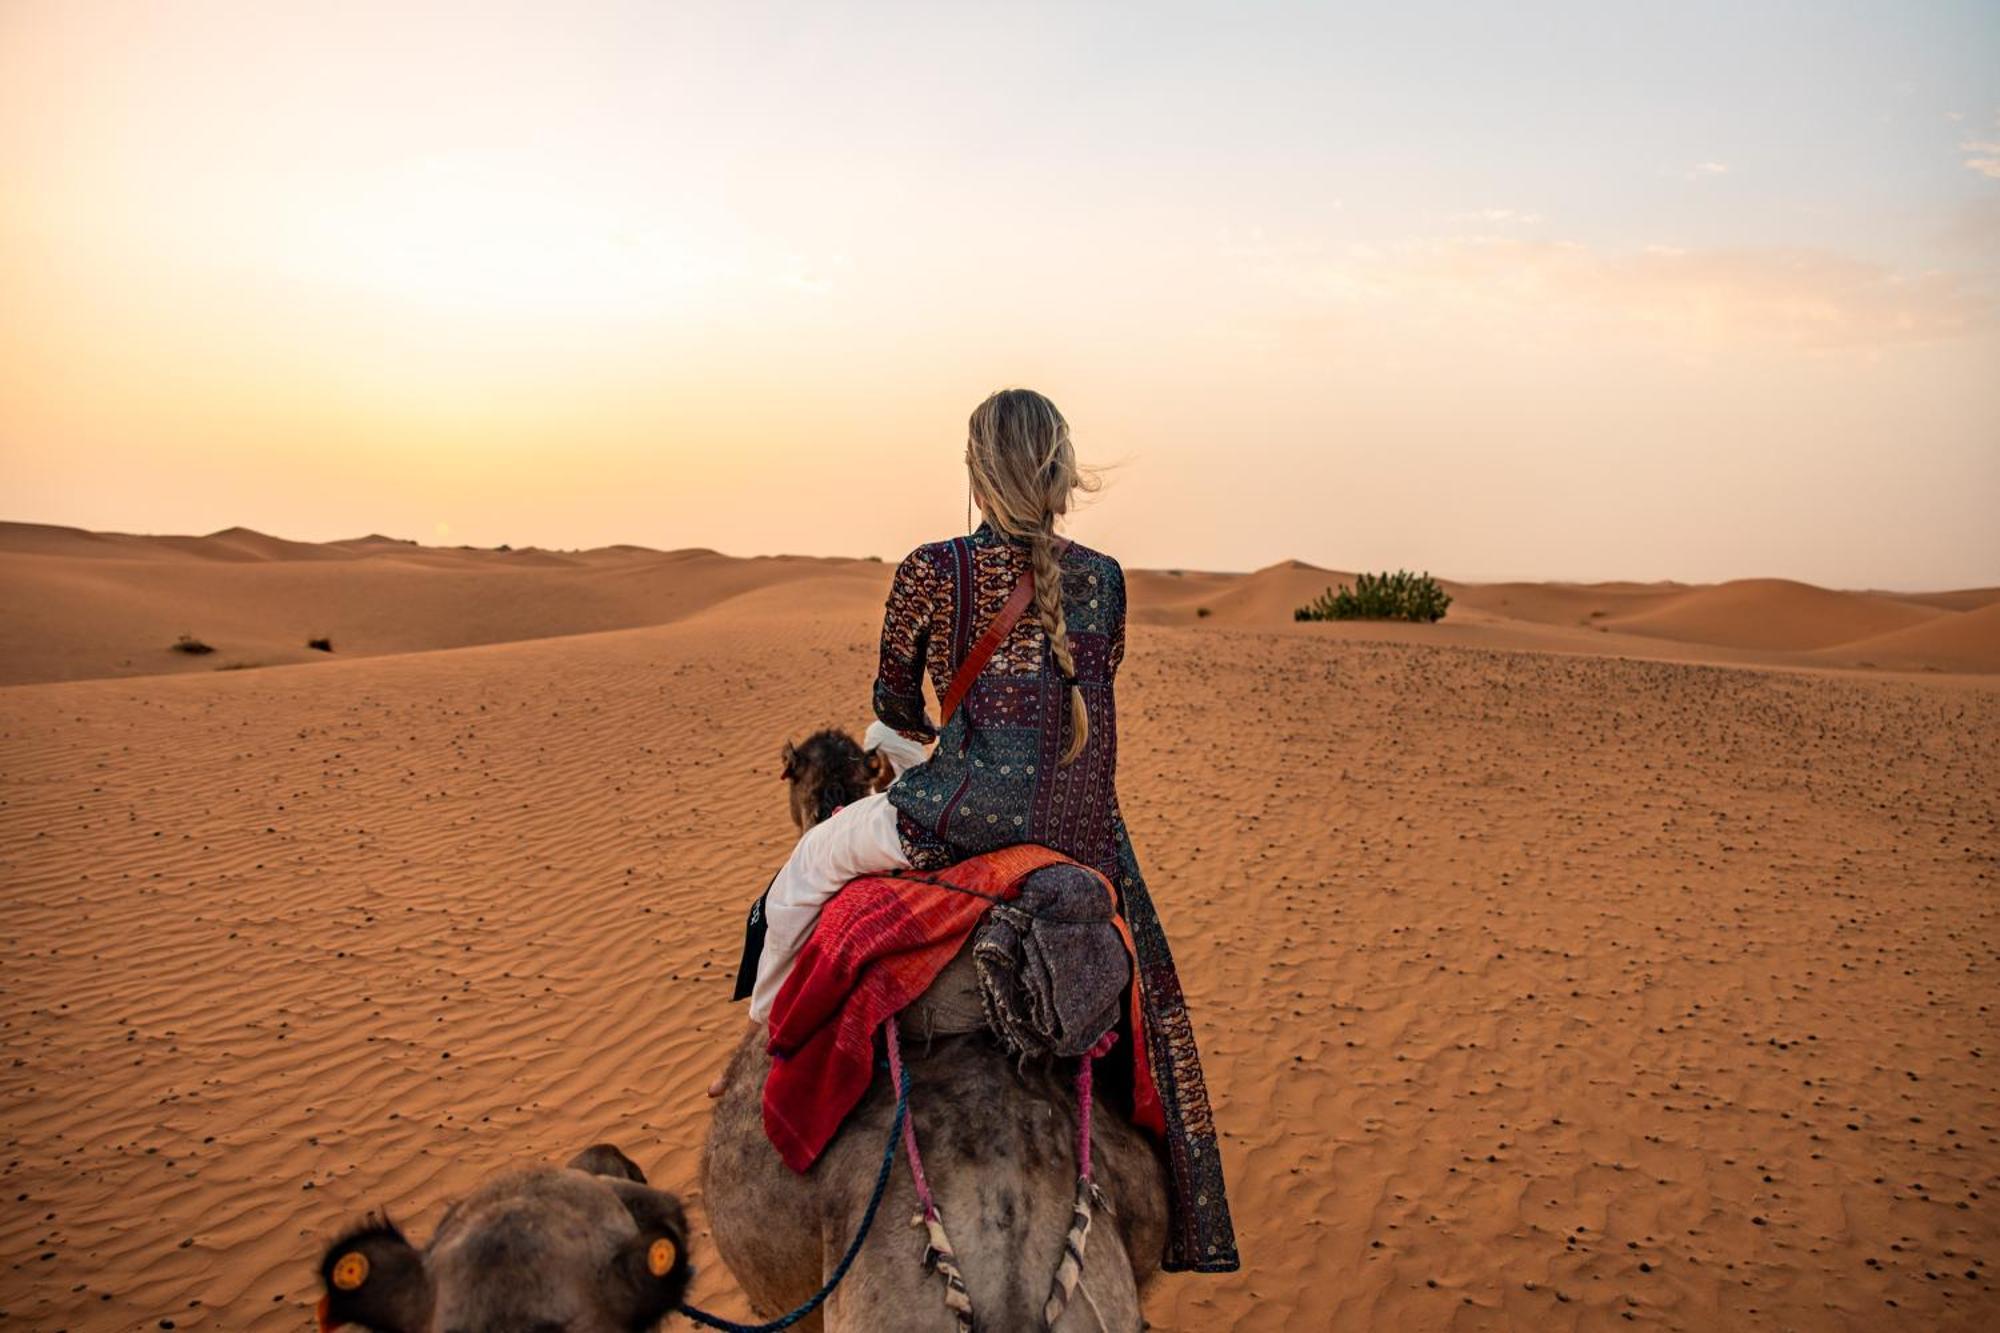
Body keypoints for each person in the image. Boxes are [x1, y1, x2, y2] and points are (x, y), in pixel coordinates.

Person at [717, 387, 1238, 1273]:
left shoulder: (933, 569)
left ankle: (776, 1029)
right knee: (1143, 979)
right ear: (1061, 470)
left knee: (811, 863)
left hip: (948, 828)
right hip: (1077, 833)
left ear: (976, 472)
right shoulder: (1106, 579)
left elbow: (892, 706)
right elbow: (1074, 698)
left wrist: (945, 752)